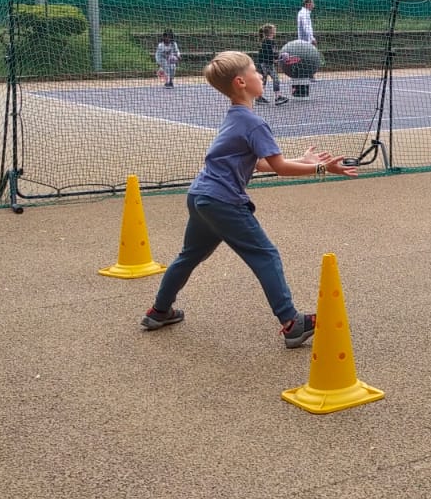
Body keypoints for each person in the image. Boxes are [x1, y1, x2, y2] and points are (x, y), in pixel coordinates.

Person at [140, 51, 359, 349]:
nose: (261, 76)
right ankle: (292, 323)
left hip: (201, 196)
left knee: (189, 256)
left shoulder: (234, 118)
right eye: (256, 71)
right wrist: (323, 168)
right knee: (265, 255)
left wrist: (303, 159)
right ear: (242, 82)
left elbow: (261, 164)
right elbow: (280, 168)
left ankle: (159, 312)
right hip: (223, 202)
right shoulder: (254, 123)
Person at [254, 23, 288, 106]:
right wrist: (275, 60)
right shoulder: (268, 42)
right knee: (275, 79)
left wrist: (278, 57)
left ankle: (259, 97)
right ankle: (277, 97)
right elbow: (269, 54)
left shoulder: (266, 41)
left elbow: (270, 53)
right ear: (272, 32)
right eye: (274, 30)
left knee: (264, 80)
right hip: (266, 64)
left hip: (263, 63)